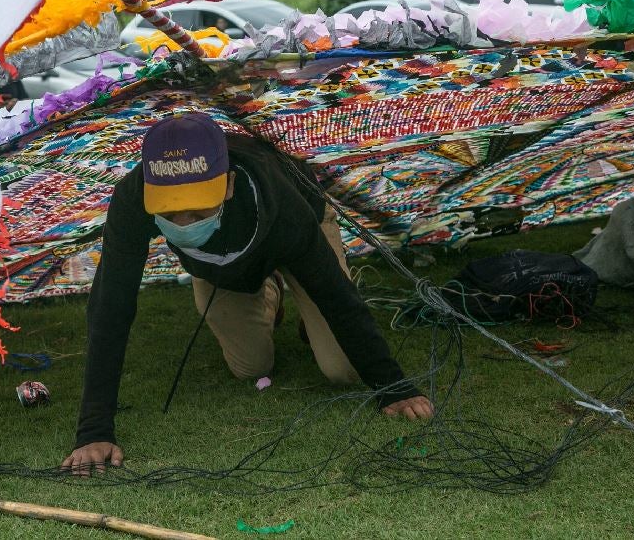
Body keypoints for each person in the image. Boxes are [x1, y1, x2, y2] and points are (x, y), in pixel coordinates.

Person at [62, 112, 433, 475]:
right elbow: (111, 305)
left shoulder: (280, 199)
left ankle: (297, 296)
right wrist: (94, 431)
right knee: (250, 367)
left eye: (196, 207)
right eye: (170, 212)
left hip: (301, 233)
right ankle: (268, 288)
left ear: (228, 184)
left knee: (342, 369)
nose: (184, 223)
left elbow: (335, 293)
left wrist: (394, 387)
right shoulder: (132, 197)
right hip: (220, 264)